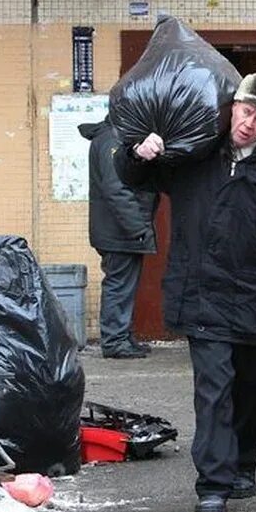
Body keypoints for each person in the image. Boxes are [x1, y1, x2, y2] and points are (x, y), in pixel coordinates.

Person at [116, 72, 256, 512]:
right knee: (213, 390)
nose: (249, 124)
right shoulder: (197, 153)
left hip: (253, 299)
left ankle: (243, 465)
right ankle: (212, 484)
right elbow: (138, 176)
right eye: (246, 111)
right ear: (233, 106)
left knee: (251, 388)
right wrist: (138, 152)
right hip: (201, 294)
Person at [78, 118, 158, 359]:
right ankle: (115, 340)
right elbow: (117, 190)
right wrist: (139, 229)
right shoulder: (113, 139)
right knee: (119, 285)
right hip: (119, 231)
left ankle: (122, 336)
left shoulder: (112, 136)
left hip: (118, 230)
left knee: (124, 285)